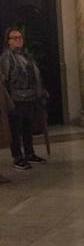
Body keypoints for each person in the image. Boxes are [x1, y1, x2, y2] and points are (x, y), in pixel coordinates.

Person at [0, 27, 48, 170]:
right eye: (14, 38)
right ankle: (18, 157)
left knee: (28, 127)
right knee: (16, 129)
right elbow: (4, 79)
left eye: (20, 37)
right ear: (8, 41)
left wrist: (41, 91)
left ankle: (29, 153)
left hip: (30, 97)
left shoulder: (27, 56)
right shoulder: (6, 58)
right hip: (15, 99)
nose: (18, 40)